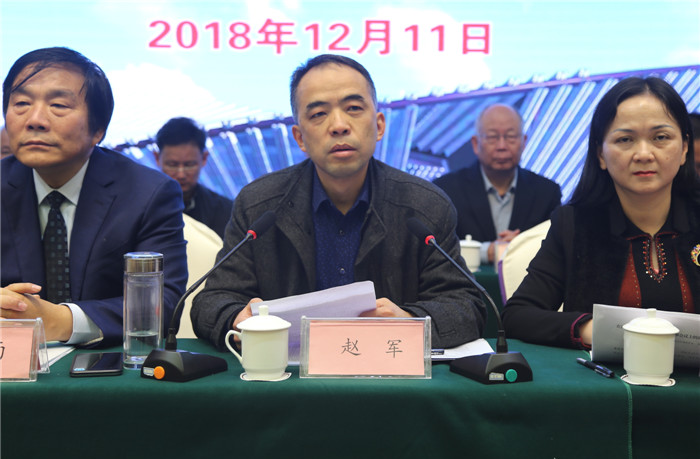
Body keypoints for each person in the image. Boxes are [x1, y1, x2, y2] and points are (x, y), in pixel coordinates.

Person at [192, 54, 486, 351]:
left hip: (389, 370)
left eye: (354, 108)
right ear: (300, 138)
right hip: (286, 374)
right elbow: (212, 301)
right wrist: (236, 318)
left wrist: (410, 321)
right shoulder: (259, 205)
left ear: (379, 125)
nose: (339, 125)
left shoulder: (424, 206)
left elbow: (466, 305)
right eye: (319, 114)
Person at [1, 47, 187, 347]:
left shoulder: (148, 193)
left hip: (106, 362)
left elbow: (164, 302)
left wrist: (61, 321)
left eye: (58, 105)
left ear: (98, 129)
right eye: (21, 103)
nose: (35, 120)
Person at [502, 77, 700, 349]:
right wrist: (590, 329)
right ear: (601, 154)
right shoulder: (575, 224)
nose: (644, 154)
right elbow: (517, 316)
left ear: (685, 148)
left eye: (660, 138)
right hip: (605, 376)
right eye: (625, 139)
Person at [434, 104, 561, 264]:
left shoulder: (547, 192)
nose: (502, 146)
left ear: (523, 142)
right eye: (493, 137)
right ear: (475, 144)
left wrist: (522, 247)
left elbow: (557, 249)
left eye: (511, 137)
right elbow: (436, 248)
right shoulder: (446, 190)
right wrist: (485, 252)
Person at [154, 117, 233, 239]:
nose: (181, 175)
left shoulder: (227, 212)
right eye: (172, 165)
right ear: (157, 158)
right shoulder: (140, 208)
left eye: (189, 165)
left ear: (204, 158)